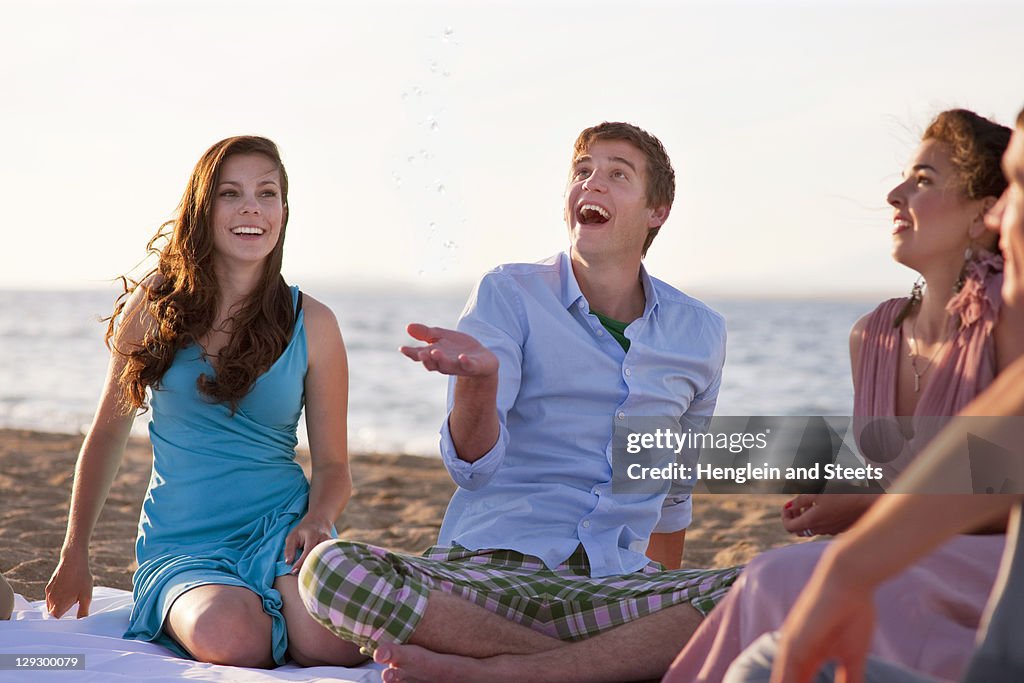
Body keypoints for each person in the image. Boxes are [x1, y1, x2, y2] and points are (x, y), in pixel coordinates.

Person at [298, 122, 741, 683]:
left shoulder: (699, 332)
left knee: (774, 584)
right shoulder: (509, 294)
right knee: (331, 572)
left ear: (658, 211)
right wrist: (479, 382)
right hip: (491, 580)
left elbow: (673, 496)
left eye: (616, 175)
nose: (592, 184)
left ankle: (509, 670)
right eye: (582, 172)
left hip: (613, 585)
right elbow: (471, 468)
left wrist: (652, 600)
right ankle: (575, 670)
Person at [665, 109, 1019, 682]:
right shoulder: (873, 336)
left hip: (994, 568)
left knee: (776, 579)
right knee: (773, 575)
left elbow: (1006, 495)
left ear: (985, 211)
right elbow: (892, 477)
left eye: (924, 180)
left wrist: (872, 510)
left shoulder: (1005, 314)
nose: (894, 194)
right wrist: (844, 496)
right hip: (909, 554)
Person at [44, 136, 365, 669]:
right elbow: (106, 435)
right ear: (203, 208)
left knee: (336, 645)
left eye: (267, 194)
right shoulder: (155, 308)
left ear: (283, 211)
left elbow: (334, 466)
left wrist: (318, 519)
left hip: (284, 528)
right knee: (232, 637)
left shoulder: (316, 323)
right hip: (185, 541)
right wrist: (74, 551)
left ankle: (288, 609)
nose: (251, 209)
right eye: (229, 193)